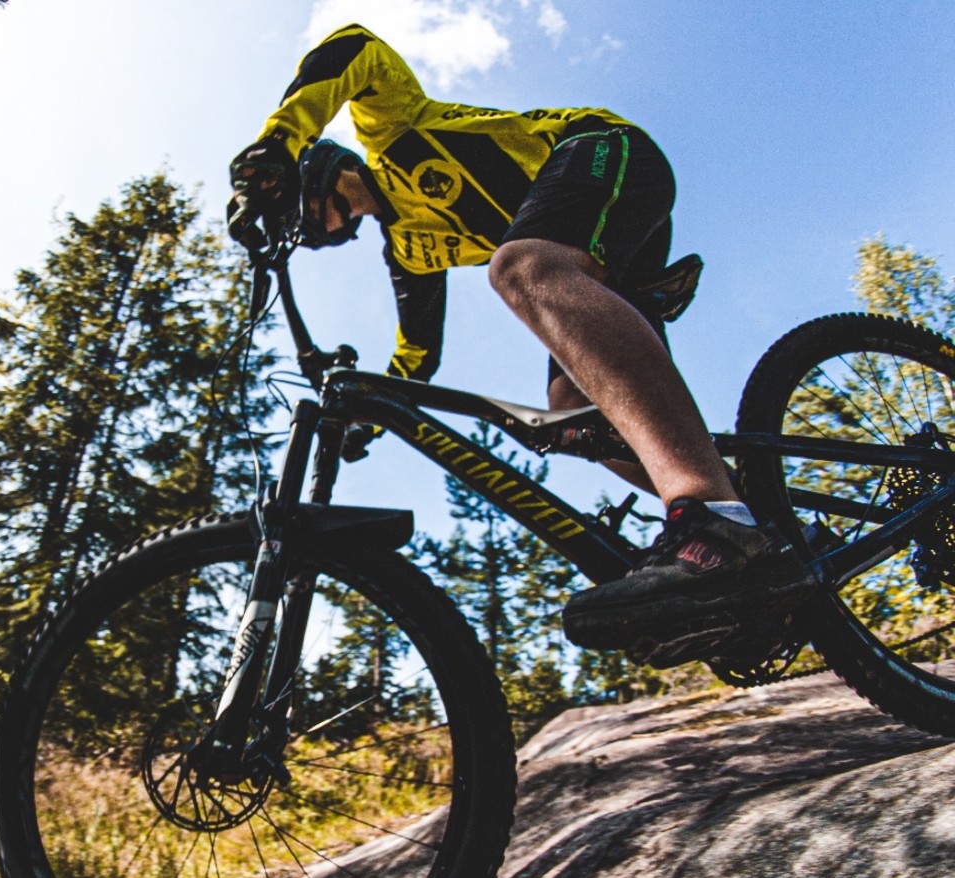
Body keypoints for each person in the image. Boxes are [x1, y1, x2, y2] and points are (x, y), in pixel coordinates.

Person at [228, 24, 815, 666]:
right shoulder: (411, 251)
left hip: (600, 150)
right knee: (569, 408)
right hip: (596, 252)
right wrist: (367, 426)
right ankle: (763, 522)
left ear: (318, 176)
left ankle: (711, 517)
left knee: (520, 269)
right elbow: (418, 352)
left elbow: (353, 48)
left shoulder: (390, 127)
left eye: (307, 217)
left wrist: (281, 138)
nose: (319, 232)